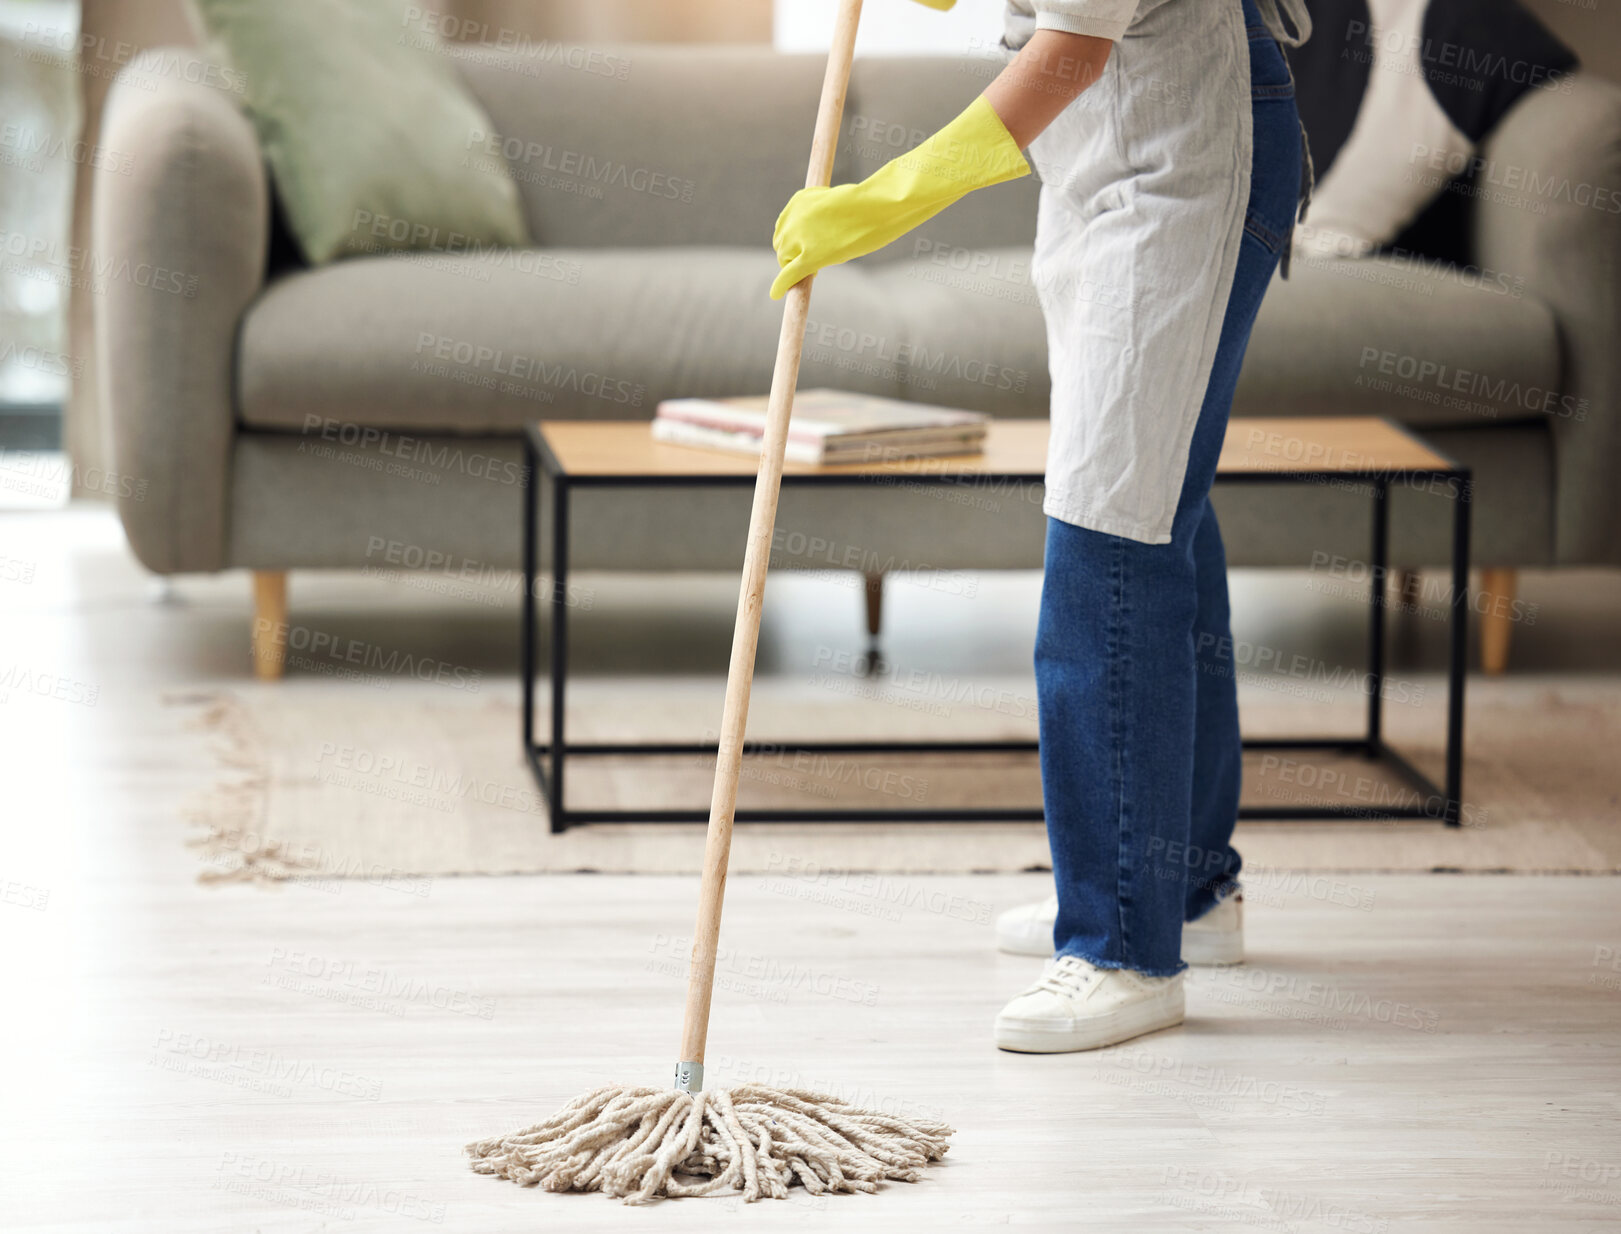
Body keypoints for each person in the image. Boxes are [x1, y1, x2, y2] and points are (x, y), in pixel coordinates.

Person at [772, 0, 1310, 1053]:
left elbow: (1066, 50)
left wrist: (888, 195)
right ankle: (1183, 892)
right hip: (1127, 151)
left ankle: (1121, 945)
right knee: (1159, 514)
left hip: (1180, 162)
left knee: (1109, 532)